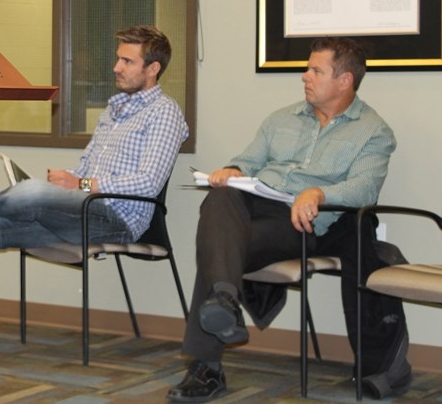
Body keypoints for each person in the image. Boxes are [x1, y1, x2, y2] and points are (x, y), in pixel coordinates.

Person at [0, 25, 189, 368]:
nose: (116, 67)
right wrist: (68, 179)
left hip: (117, 220)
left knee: (33, 191)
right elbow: (85, 168)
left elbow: (147, 182)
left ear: (152, 68)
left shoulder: (165, 113)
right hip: (77, 213)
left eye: (127, 61)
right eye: (118, 59)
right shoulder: (112, 111)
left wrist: (79, 185)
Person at [168, 37, 409, 402]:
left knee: (219, 250)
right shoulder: (281, 118)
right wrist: (231, 170)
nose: (305, 76)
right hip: (253, 203)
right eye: (307, 68)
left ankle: (207, 365)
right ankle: (225, 299)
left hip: (302, 221)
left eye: (316, 70)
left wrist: (319, 193)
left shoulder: (374, 132)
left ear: (345, 80)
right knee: (221, 197)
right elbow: (247, 162)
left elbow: (364, 188)